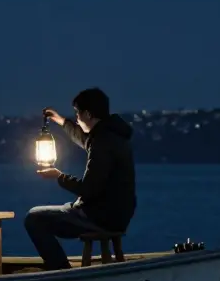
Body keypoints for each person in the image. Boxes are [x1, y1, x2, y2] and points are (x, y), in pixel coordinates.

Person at [25, 87, 137, 270]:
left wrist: (59, 176)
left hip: (100, 216)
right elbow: (84, 139)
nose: (76, 117)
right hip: (118, 213)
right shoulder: (113, 136)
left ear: (88, 113)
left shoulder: (102, 142)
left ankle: (61, 272)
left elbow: (89, 189)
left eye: (78, 113)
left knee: (34, 218)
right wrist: (61, 121)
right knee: (47, 212)